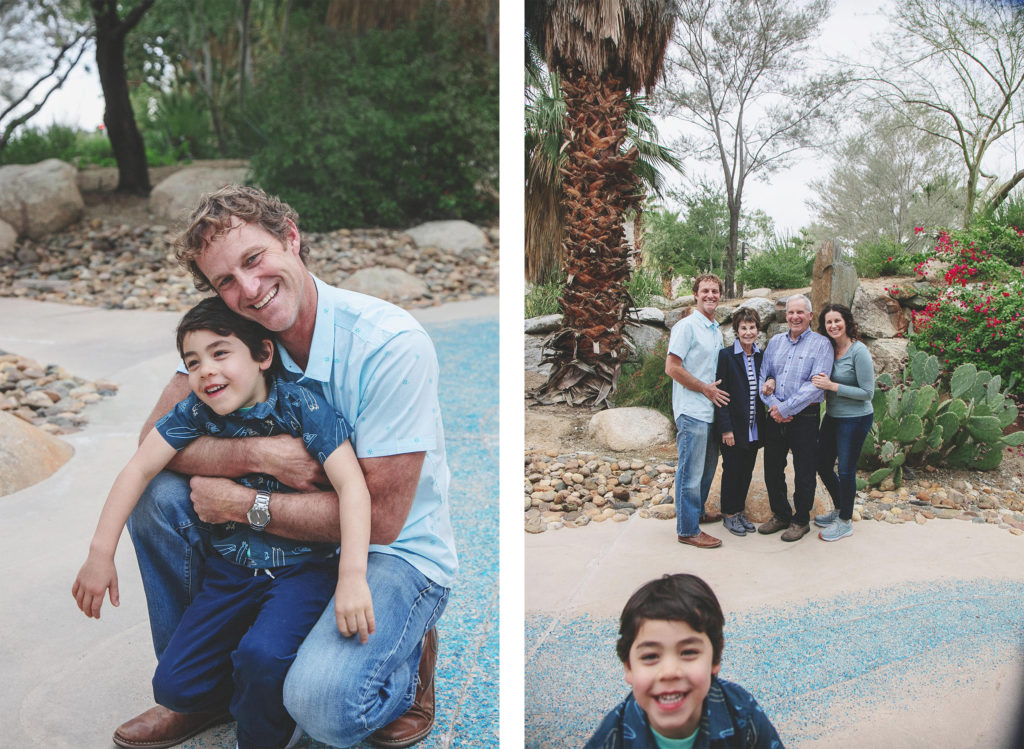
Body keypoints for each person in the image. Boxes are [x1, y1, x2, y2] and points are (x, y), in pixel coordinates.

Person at [113, 186, 457, 749]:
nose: (248, 289)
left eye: (254, 260)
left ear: (291, 238)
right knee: (157, 499)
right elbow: (152, 441)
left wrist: (247, 505)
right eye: (225, 279)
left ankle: (408, 657)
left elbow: (387, 518)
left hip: (387, 552)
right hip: (285, 545)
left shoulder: (389, 344)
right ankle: (198, 694)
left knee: (323, 708)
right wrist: (257, 455)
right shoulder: (232, 328)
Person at [73, 297, 374, 749]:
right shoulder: (195, 412)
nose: (205, 371)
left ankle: (266, 730)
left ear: (262, 355)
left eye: (220, 353)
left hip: (302, 572)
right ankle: (244, 690)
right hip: (232, 573)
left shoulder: (302, 408)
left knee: (261, 656)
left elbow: (353, 487)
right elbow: (139, 468)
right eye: (193, 362)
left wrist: (352, 578)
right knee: (175, 687)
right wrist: (100, 552)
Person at [584, 573, 783, 748]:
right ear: (628, 667)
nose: (670, 672)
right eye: (651, 656)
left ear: (714, 659)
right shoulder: (613, 737)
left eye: (688, 652)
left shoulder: (740, 711)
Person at [756, 295, 834, 542]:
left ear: (810, 316)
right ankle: (780, 515)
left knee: (804, 470)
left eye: (800, 312)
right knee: (772, 468)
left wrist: (786, 409)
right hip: (775, 416)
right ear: (785, 315)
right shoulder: (776, 342)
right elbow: (763, 378)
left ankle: (801, 520)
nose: (795, 317)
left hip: (805, 417)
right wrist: (775, 406)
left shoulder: (822, 345)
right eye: (791, 312)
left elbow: (816, 386)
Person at [665, 274, 730, 549]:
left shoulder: (715, 329)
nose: (710, 295)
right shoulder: (686, 327)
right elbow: (672, 368)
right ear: (695, 294)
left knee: (706, 470)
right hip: (692, 410)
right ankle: (688, 530)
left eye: (715, 291)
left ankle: (698, 513)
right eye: (705, 290)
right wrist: (705, 389)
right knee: (690, 473)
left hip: (711, 411)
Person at [809, 304, 875, 542]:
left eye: (837, 321)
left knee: (846, 470)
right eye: (828, 322)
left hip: (856, 418)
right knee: (822, 464)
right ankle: (839, 508)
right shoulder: (828, 348)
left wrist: (832, 386)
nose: (833, 326)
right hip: (833, 416)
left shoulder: (859, 352)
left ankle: (845, 521)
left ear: (846, 322)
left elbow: (868, 392)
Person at [715, 308, 767, 537]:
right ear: (736, 330)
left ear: (758, 329)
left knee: (746, 471)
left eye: (752, 327)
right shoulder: (726, 356)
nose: (748, 332)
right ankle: (729, 513)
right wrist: (726, 429)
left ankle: (739, 511)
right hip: (734, 428)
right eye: (744, 328)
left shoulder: (760, 356)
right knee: (732, 470)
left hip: (754, 427)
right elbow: (721, 395)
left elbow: (766, 381)